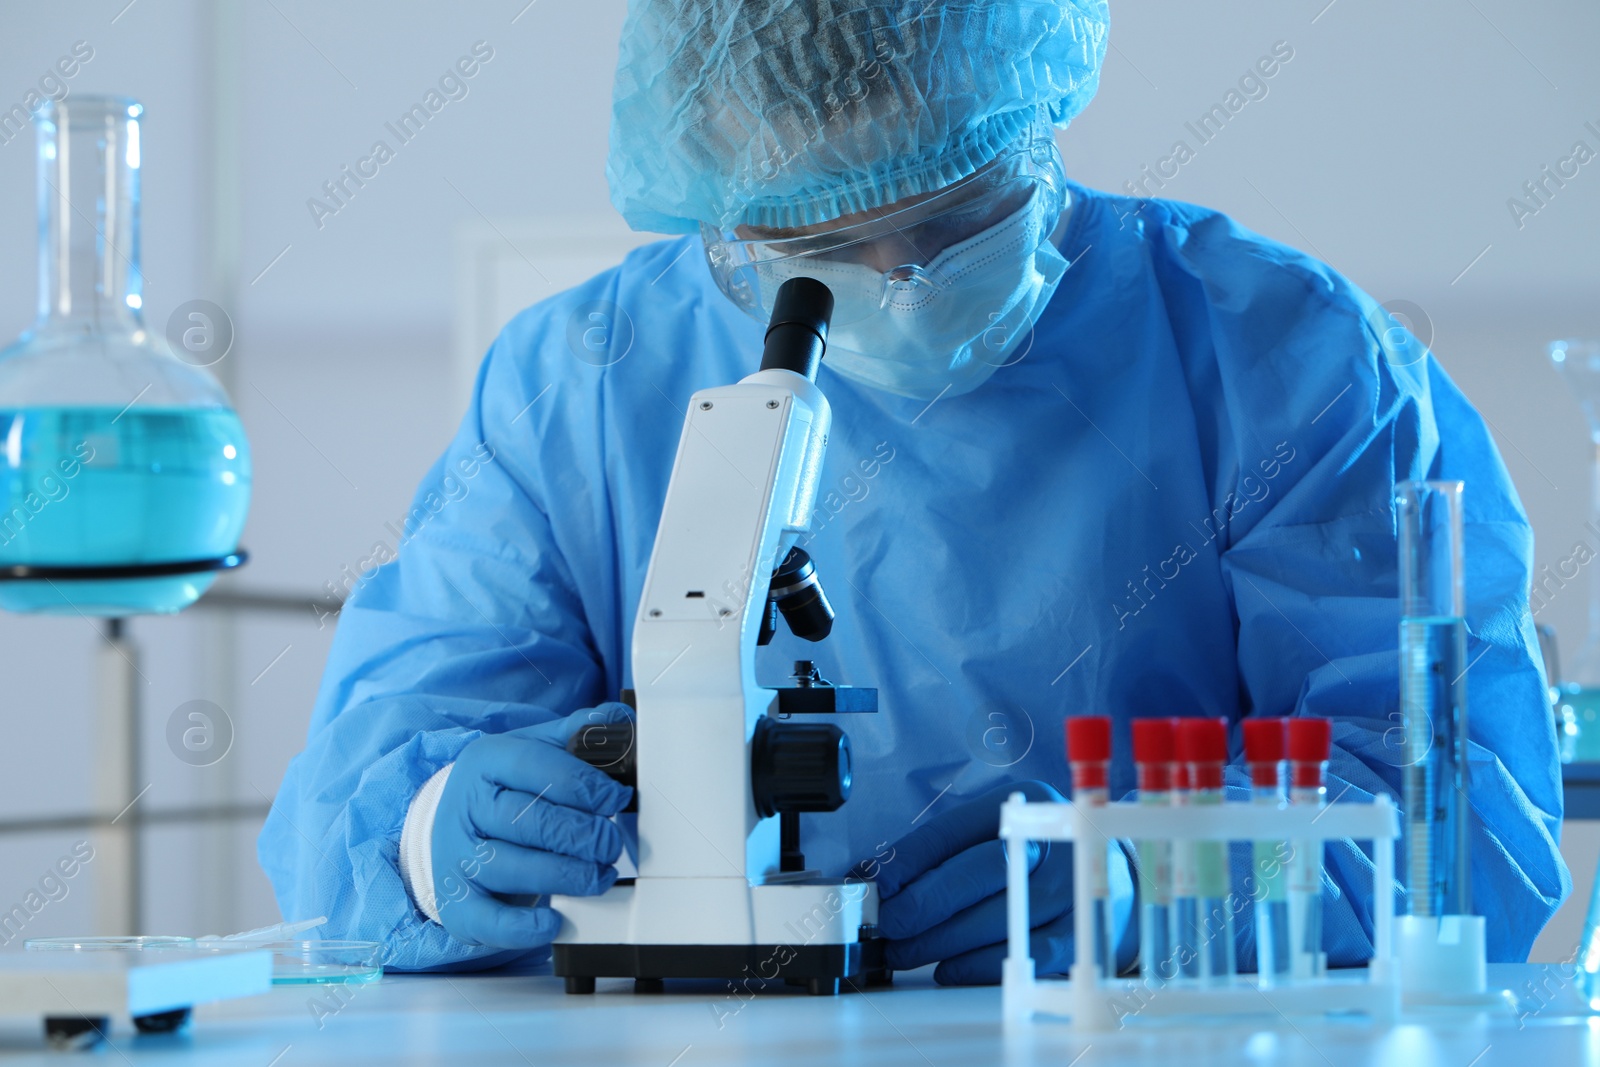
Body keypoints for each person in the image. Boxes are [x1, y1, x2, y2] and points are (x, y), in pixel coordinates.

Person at [260, 0, 1568, 982]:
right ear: (718, 208)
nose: (898, 278)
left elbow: (1458, 837)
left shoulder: (1277, 358)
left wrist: (1155, 888)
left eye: (953, 224)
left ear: (1033, 107)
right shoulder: (580, 390)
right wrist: (433, 841)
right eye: (818, 248)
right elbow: (358, 810)